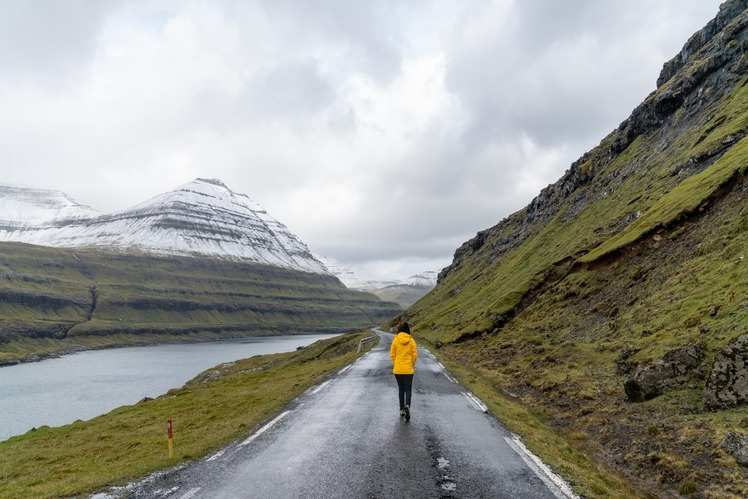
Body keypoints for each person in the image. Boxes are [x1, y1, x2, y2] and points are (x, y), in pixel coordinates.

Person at [390, 321, 417, 422]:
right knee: (408, 390)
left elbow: (392, 354)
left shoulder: (395, 340)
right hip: (408, 370)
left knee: (401, 389)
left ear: (400, 330)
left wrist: (396, 363)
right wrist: (412, 364)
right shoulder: (411, 341)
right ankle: (407, 406)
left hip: (398, 370)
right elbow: (415, 355)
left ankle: (401, 410)